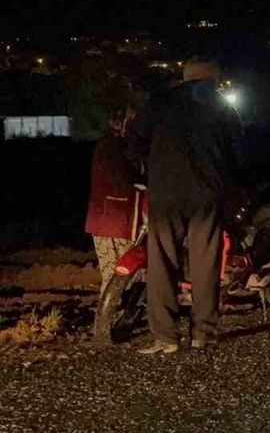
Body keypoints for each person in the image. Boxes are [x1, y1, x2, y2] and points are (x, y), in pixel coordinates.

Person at [129, 61, 245, 354]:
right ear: (214, 79)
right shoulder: (222, 107)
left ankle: (166, 337)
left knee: (162, 261)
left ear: (184, 78)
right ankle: (203, 333)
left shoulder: (159, 102)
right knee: (205, 262)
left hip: (165, 195)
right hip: (207, 194)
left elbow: (135, 141)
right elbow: (239, 154)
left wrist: (150, 171)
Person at [85, 108, 139, 299]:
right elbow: (121, 180)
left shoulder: (114, 145)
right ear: (117, 123)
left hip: (114, 220)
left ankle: (114, 320)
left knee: (125, 275)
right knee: (115, 276)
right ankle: (107, 323)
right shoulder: (112, 146)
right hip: (111, 221)